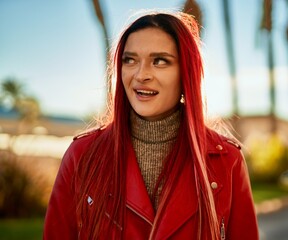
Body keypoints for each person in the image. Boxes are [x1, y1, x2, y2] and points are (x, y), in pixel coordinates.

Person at [43, 11, 259, 240]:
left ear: (186, 72)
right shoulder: (82, 156)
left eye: (160, 61)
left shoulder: (227, 160)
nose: (141, 74)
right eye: (130, 60)